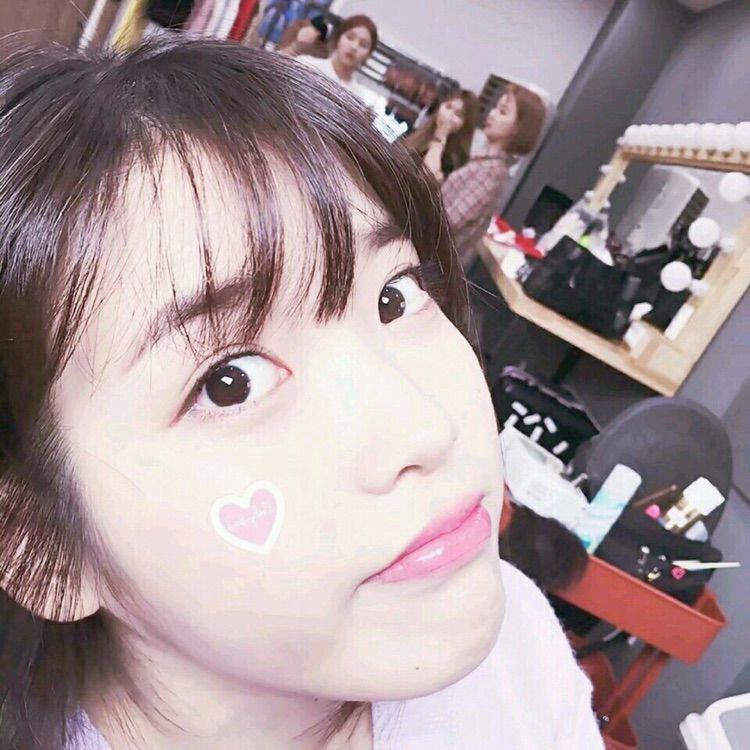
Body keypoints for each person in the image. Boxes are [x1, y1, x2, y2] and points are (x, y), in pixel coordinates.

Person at [0, 40, 603, 750]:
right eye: (230, 382)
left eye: (394, 295)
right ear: (39, 546)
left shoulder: (520, 650)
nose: (426, 425)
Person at [439, 83, 547, 270]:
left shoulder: (492, 172)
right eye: (496, 108)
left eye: (502, 112)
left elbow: (449, 221)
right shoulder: (485, 163)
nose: (492, 114)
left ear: (517, 128)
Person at [293, 14, 378, 100]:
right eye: (350, 37)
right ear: (339, 37)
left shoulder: (357, 97)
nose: (354, 47)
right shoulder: (307, 65)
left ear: (368, 55)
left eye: (363, 45)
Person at [402, 90, 480, 182]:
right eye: (448, 107)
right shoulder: (420, 133)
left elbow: (426, 178)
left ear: (465, 125)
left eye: (458, 114)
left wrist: (440, 136)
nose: (448, 115)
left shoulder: (454, 160)